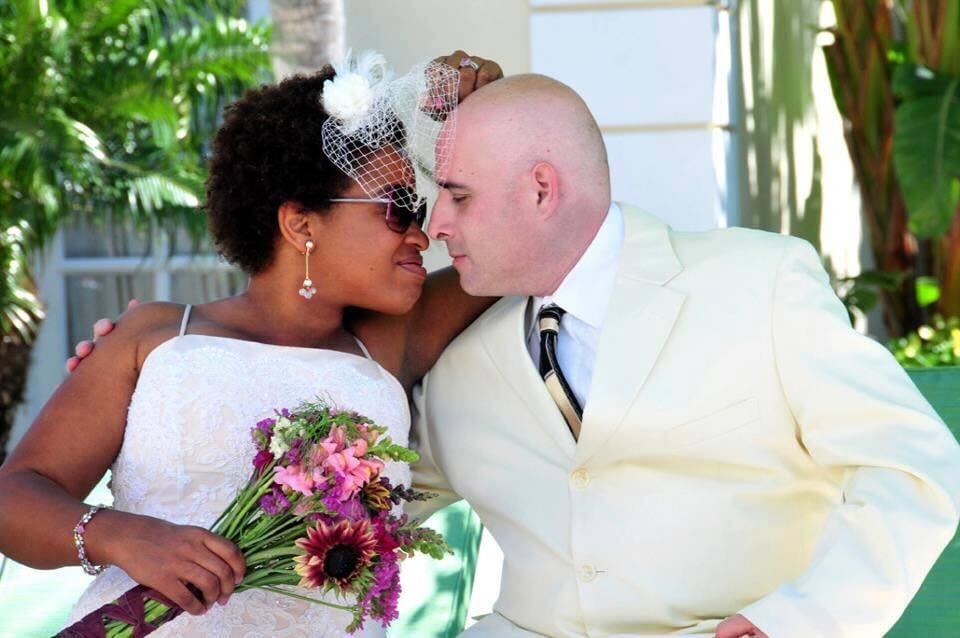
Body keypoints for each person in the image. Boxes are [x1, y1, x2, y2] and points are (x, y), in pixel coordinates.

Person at [68, 73, 960, 637]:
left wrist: (792, 627)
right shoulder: (445, 362)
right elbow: (340, 494)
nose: (436, 229)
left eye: (448, 197)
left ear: (540, 187)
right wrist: (156, 387)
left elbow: (920, 469)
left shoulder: (758, 284)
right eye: (420, 205)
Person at [0, 52, 501, 636]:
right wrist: (120, 535)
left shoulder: (391, 342)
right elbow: (16, 496)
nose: (422, 233)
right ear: (301, 224)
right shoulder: (155, 336)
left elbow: (529, 235)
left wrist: (485, 109)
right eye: (395, 209)